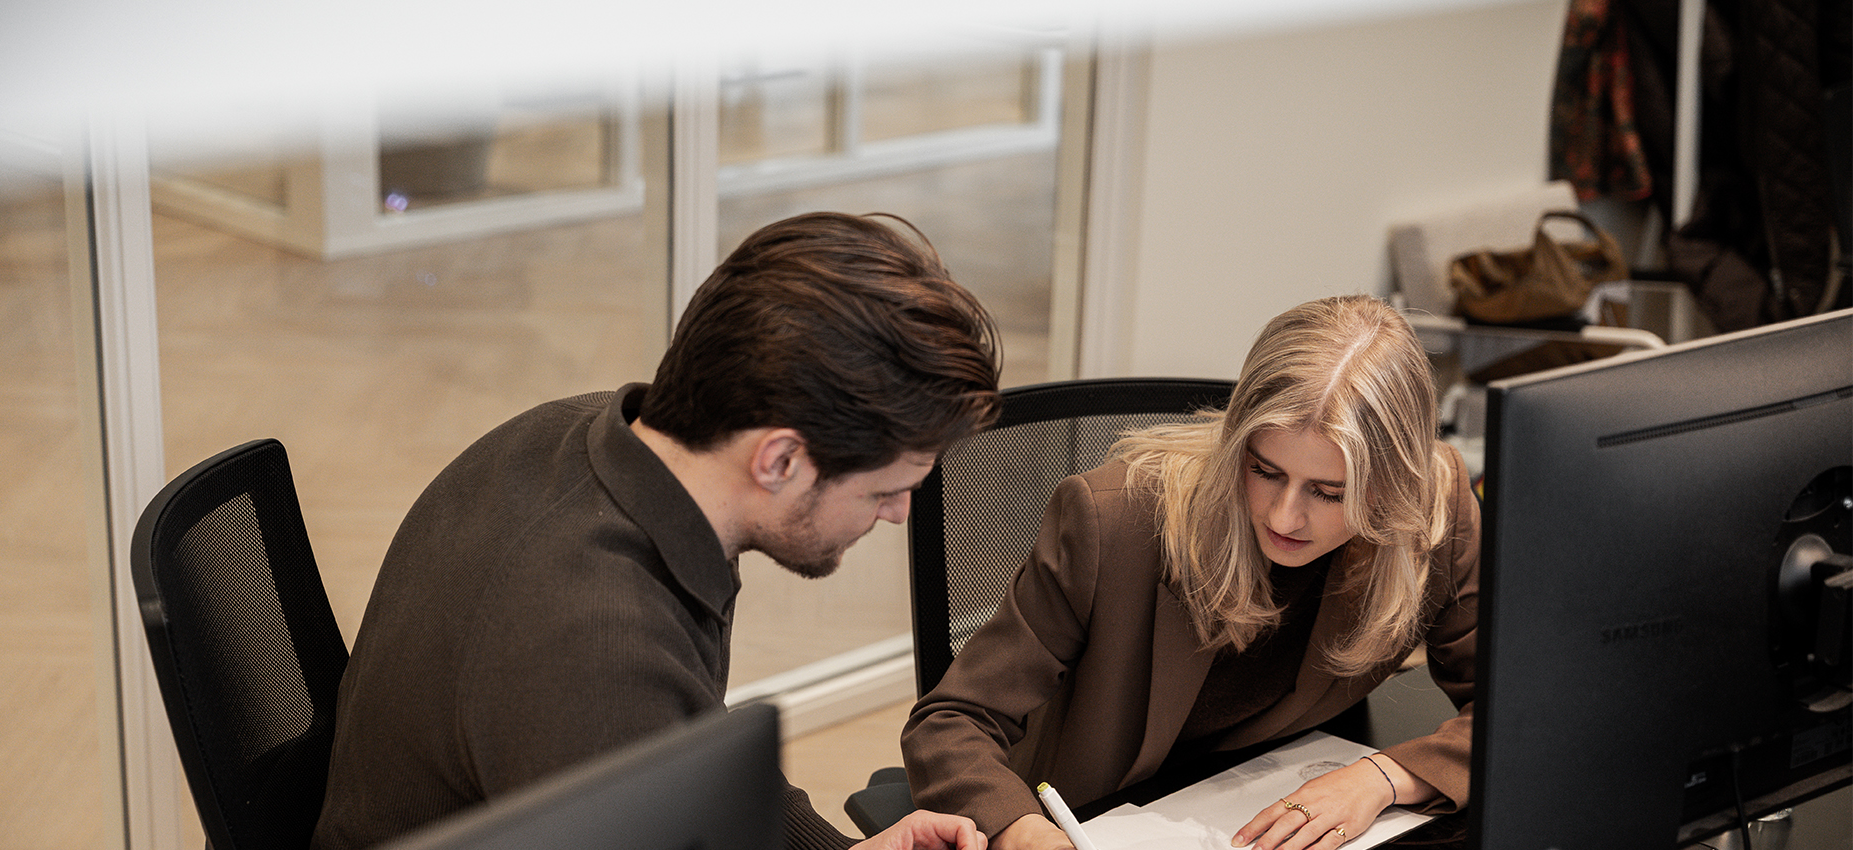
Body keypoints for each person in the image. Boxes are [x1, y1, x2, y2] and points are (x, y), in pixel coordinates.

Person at [312, 212, 1001, 850]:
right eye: (883, 490)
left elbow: (686, 738)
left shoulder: (586, 442)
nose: (898, 513)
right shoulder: (598, 652)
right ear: (779, 460)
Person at [901, 295, 1480, 850]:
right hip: (1103, 818)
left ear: (1395, 484)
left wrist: (1383, 778)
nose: (1285, 516)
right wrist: (1020, 830)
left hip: (1284, 797)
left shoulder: (1434, 509)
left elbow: (1515, 709)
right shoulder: (1115, 522)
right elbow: (953, 720)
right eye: (1265, 471)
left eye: (1329, 492)